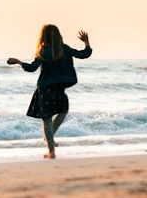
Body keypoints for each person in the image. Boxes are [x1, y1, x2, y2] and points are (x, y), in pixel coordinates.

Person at [7, 24, 92, 159]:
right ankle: (50, 138)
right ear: (58, 35)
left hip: (44, 90)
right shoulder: (65, 49)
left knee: (46, 119)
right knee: (63, 111)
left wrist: (18, 61)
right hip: (59, 89)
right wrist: (86, 42)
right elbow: (84, 54)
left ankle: (51, 149)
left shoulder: (43, 51)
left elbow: (32, 68)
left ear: (43, 36)